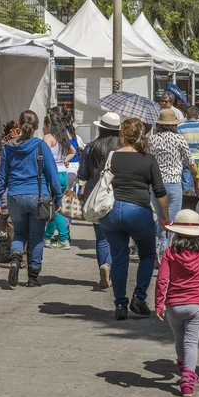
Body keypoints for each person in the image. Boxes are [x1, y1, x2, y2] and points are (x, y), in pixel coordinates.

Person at [100, 118, 169, 321]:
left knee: (119, 258)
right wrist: (165, 219)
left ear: (122, 135)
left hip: (112, 212)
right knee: (147, 255)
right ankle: (139, 297)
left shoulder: (112, 157)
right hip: (138, 210)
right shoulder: (148, 159)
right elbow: (159, 192)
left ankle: (120, 304)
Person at [155, 210, 199, 397]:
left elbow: (162, 280)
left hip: (173, 306)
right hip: (196, 306)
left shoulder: (170, 252)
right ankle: (187, 380)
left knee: (179, 339)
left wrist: (159, 303)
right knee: (191, 343)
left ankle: (185, 369)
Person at [0, 110, 62, 288]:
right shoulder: (41, 146)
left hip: (15, 196)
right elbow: (52, 174)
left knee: (20, 233)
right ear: (37, 126)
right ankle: (33, 277)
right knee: (36, 236)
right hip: (38, 196)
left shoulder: (9, 147)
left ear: (19, 123)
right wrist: (58, 197)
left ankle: (16, 259)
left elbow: (2, 177)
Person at [78, 112, 122, 289]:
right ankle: (111, 267)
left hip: (96, 196)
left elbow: (83, 174)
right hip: (118, 194)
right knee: (118, 237)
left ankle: (104, 267)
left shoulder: (91, 147)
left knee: (101, 238)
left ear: (100, 127)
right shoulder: (123, 148)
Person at [148, 109, 197, 257]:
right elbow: (190, 161)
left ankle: (157, 249)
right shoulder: (179, 139)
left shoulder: (151, 139)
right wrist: (198, 175)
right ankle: (163, 251)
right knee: (171, 221)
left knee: (161, 218)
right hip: (174, 183)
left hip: (155, 184)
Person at [43, 111, 76, 250]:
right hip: (63, 173)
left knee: (55, 208)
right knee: (54, 205)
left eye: (44, 125)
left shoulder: (47, 138)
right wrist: (64, 161)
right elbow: (73, 151)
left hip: (53, 174)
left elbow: (44, 156)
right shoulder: (63, 137)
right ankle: (47, 236)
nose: (43, 128)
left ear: (49, 125)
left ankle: (63, 238)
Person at [178, 106, 199, 193]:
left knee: (186, 183)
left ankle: (187, 202)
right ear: (198, 116)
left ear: (186, 115)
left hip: (185, 158)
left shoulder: (180, 127)